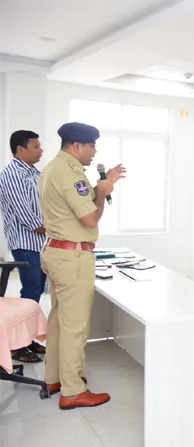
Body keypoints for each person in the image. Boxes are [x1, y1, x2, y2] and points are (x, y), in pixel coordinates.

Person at [39, 122, 124, 409]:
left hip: (56, 251)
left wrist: (104, 185)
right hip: (72, 257)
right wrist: (102, 193)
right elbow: (89, 219)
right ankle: (73, 390)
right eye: (91, 146)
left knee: (58, 321)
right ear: (77, 146)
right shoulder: (70, 174)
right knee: (74, 326)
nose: (94, 151)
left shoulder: (54, 168)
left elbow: (75, 205)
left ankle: (55, 378)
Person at [0, 130, 47, 363]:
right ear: (20, 149)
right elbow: (30, 219)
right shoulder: (11, 175)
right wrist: (59, 229)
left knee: (35, 292)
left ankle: (27, 339)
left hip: (40, 243)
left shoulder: (33, 173)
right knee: (30, 292)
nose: (41, 150)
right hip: (26, 244)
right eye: (36, 146)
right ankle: (17, 347)